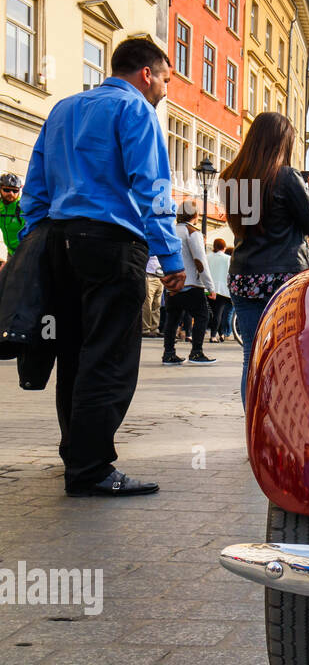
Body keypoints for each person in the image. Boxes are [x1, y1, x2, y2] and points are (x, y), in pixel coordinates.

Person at [18, 37, 185, 496]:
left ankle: (76, 454)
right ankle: (91, 469)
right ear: (146, 74)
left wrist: (38, 239)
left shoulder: (62, 110)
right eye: (166, 79)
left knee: (72, 351)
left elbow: (35, 187)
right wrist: (170, 256)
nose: (166, 91)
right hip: (112, 244)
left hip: (60, 241)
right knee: (109, 357)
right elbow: (151, 187)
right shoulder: (135, 112)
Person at [222, 112, 309, 406]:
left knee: (250, 358)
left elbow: (245, 225)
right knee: (286, 355)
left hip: (243, 276)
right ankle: (279, 425)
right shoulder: (285, 176)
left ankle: (252, 430)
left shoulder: (230, 177)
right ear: (282, 143)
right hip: (281, 280)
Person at [160, 209, 216, 365]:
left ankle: (168, 353)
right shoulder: (192, 232)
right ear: (195, 216)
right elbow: (200, 260)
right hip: (190, 283)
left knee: (172, 319)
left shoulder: (170, 229)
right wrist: (209, 286)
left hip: (172, 283)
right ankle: (196, 352)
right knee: (202, 315)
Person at [207, 238, 232, 342]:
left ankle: (221, 333)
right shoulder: (228, 258)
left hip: (208, 288)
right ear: (224, 247)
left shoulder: (207, 257)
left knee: (215, 312)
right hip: (222, 289)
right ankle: (213, 335)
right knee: (219, 313)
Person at [0, 173, 24, 267]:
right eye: (6, 190)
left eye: (15, 191)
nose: (11, 193)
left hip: (26, 252)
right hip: (10, 252)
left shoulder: (23, 207)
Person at [141, 255, 165, 337]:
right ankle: (145, 328)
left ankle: (154, 328)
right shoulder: (149, 244)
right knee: (147, 304)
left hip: (160, 276)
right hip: (149, 275)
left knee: (157, 305)